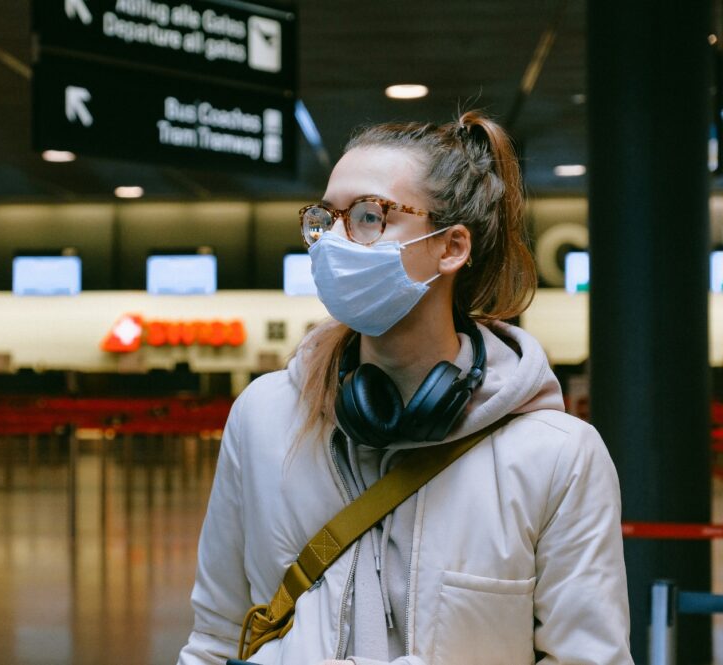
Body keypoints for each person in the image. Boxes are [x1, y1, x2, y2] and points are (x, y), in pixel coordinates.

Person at [176, 111, 632, 665]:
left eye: (370, 217)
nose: (334, 242)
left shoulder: (558, 457)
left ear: (451, 247)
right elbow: (215, 640)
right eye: (326, 218)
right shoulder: (263, 418)